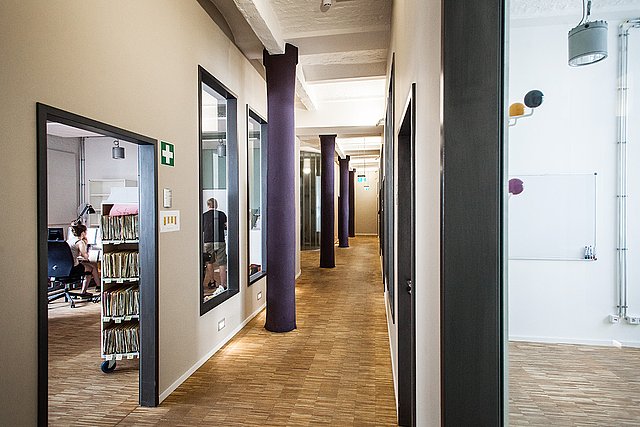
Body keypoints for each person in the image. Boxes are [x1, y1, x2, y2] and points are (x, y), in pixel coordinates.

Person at [69, 222, 101, 296]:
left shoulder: (69, 241)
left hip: (67, 267)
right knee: (92, 268)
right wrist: (85, 245)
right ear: (83, 233)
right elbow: (85, 256)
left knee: (90, 266)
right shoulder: (80, 242)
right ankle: (85, 291)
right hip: (74, 268)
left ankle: (97, 286)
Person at [202, 197, 227, 290]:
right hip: (220, 240)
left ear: (208, 205)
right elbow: (226, 226)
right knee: (222, 263)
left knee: (209, 262)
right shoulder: (221, 214)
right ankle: (223, 284)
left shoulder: (203, 215)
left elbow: (202, 229)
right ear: (216, 205)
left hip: (208, 241)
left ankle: (212, 281)